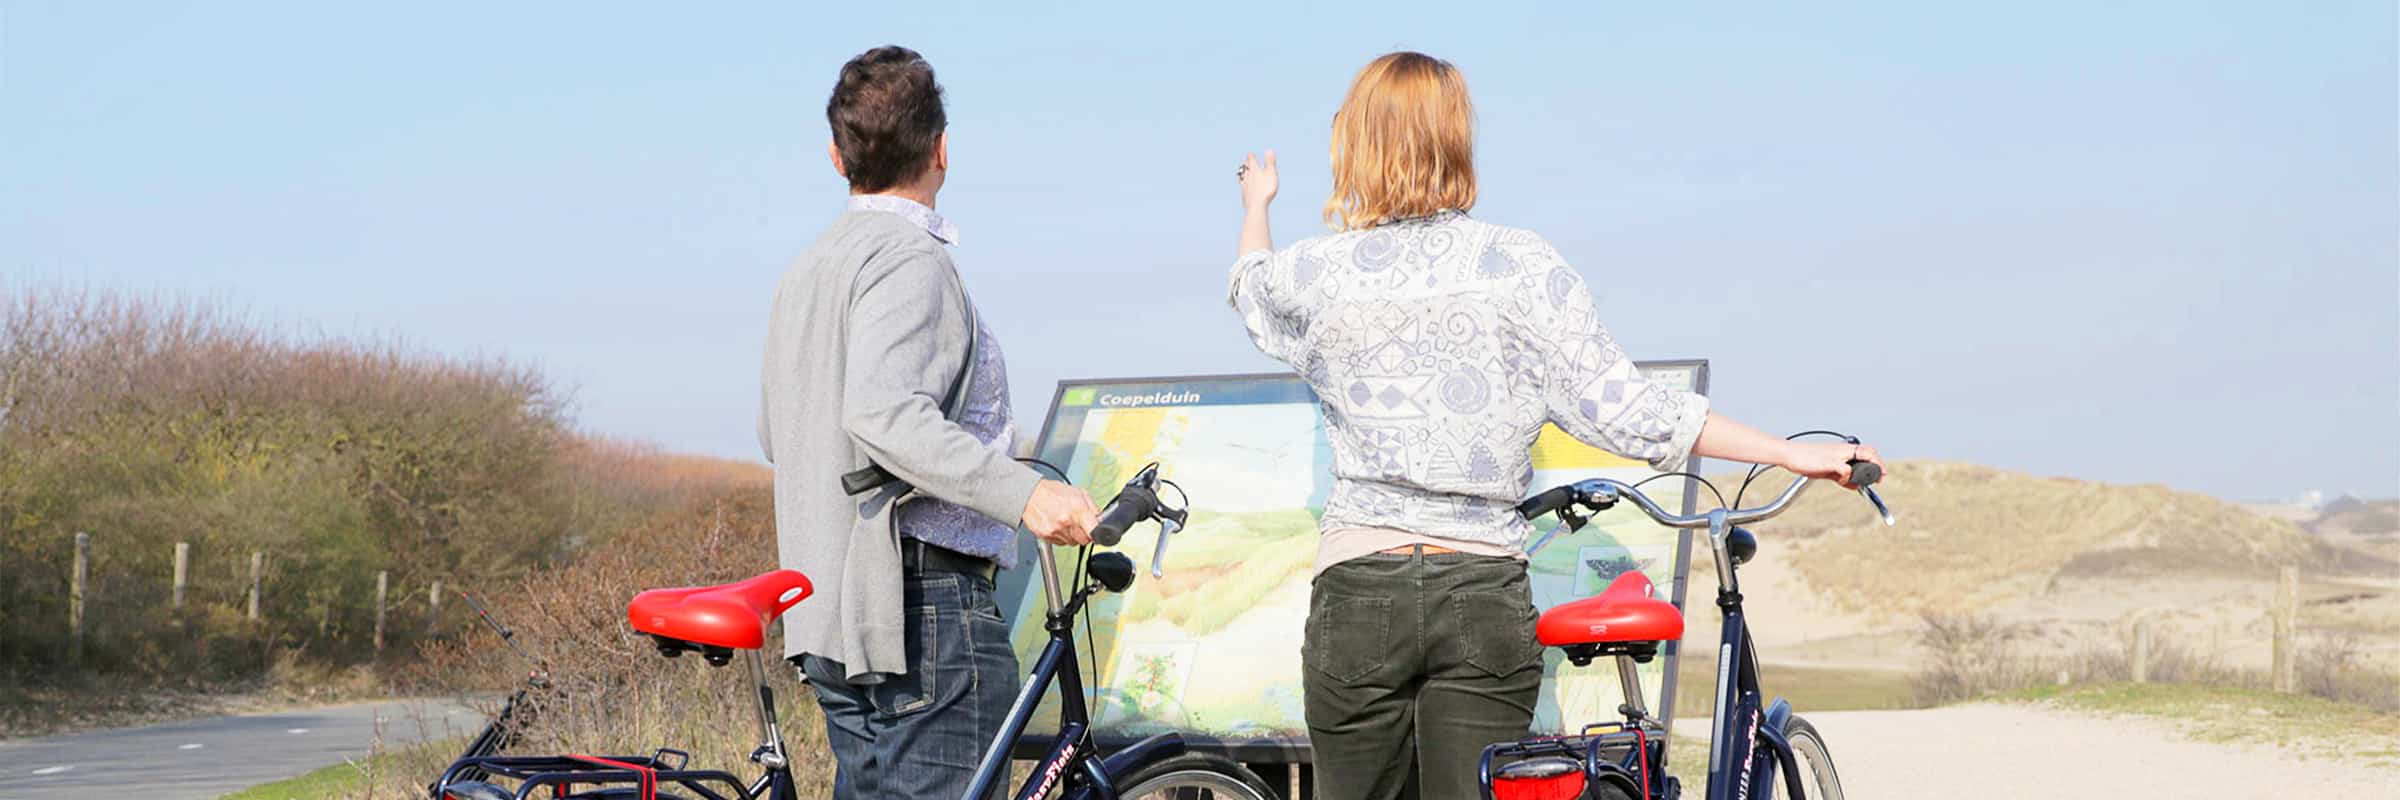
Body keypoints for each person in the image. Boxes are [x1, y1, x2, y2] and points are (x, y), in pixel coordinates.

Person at [1227, 51, 1886, 800]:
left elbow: (1251, 289)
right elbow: (1631, 411)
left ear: (1356, 146)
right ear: (1456, 139)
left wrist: (1258, 205)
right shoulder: (1521, 263)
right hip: (1478, 582)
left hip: (1357, 587)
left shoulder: (1319, 272)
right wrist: (1788, 454)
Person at [757, 45, 1098, 800]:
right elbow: (883, 415)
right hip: (922, 614)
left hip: (830, 614)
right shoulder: (911, 260)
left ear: (835, 154)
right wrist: (1024, 495)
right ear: (942, 149)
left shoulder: (808, 268)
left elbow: (776, 432)